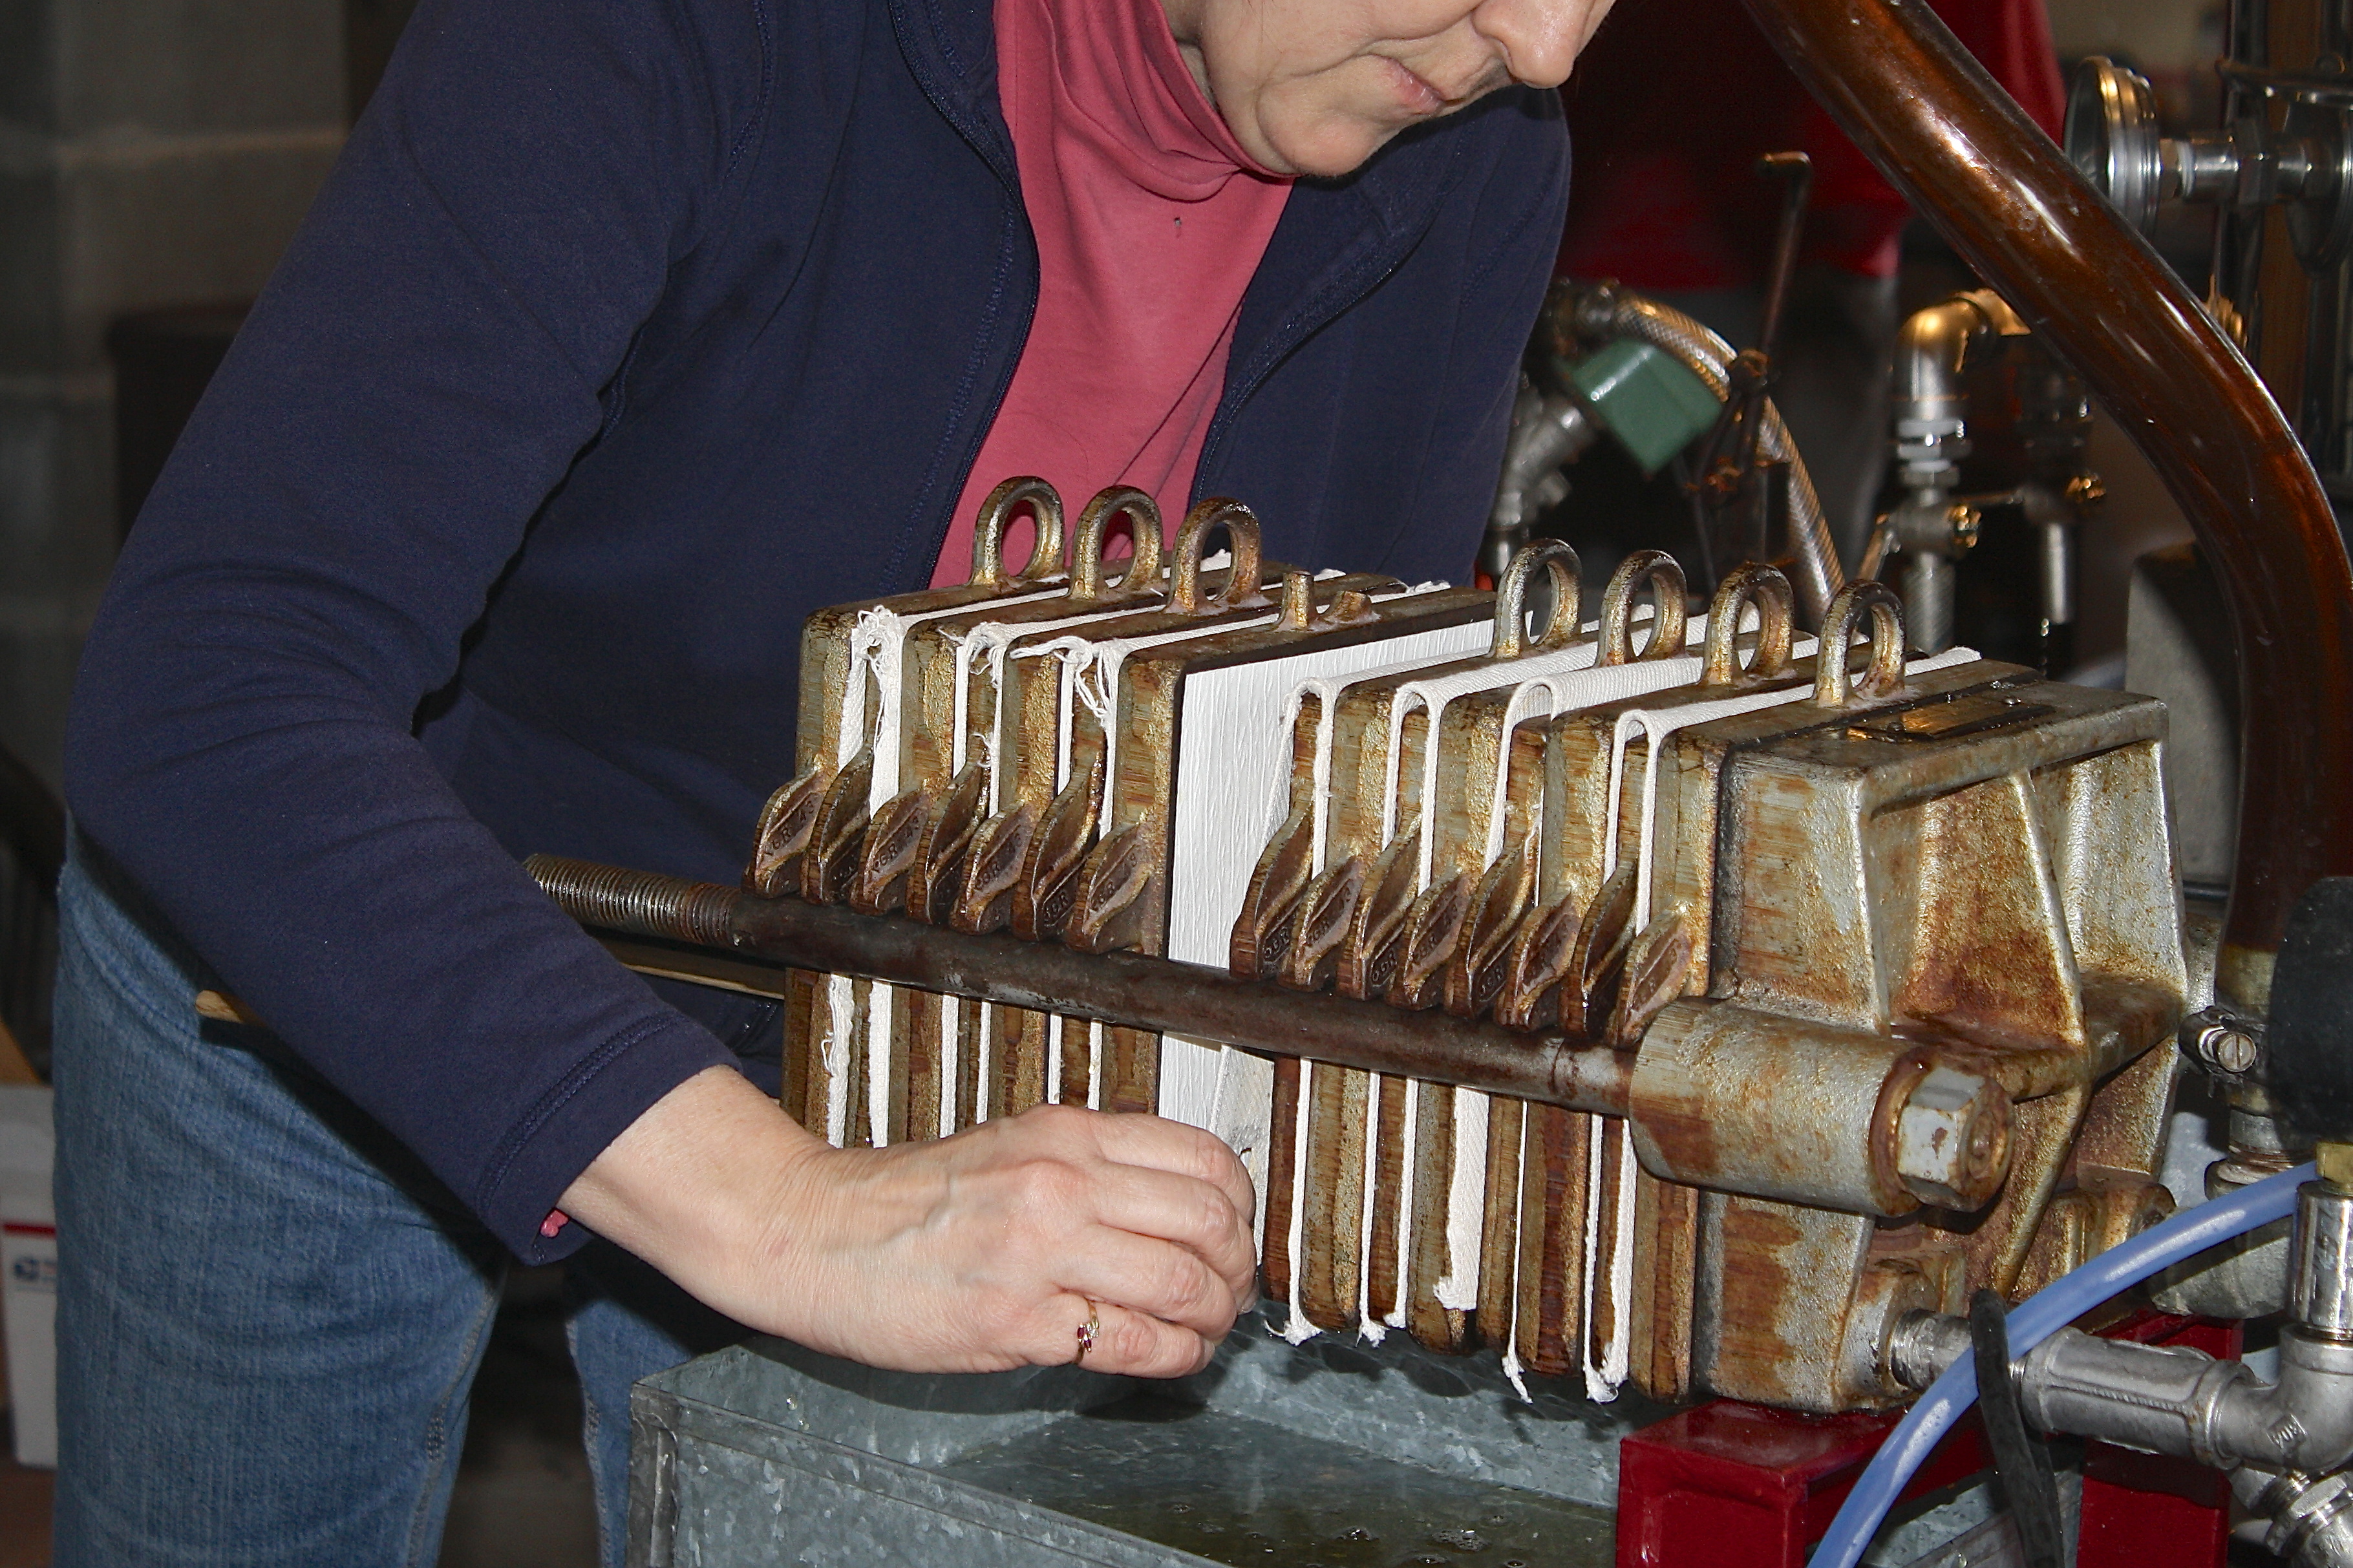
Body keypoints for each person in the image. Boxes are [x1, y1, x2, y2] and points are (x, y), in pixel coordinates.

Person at [49, 0, 1606, 1560]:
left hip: (878, 1026)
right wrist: (792, 1214)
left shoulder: (1468, 150)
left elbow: (1308, 763)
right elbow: (214, 686)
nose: (1542, 47)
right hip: (347, 914)